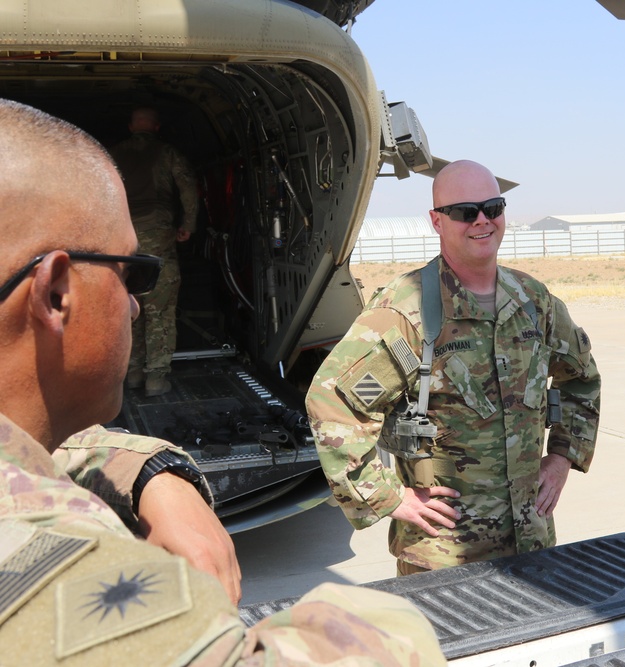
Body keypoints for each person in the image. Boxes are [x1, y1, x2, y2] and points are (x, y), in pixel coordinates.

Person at [0, 98, 445, 665]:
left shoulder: (118, 158)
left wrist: (152, 472)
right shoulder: (93, 600)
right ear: (57, 294)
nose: (132, 305)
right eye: (129, 275)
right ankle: (155, 378)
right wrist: (394, 616)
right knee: (164, 319)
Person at [307, 160, 601, 575]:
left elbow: (581, 380)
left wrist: (561, 458)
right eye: (465, 212)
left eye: (493, 208)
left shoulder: (534, 302)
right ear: (436, 221)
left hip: (531, 541)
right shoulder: (406, 311)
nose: (482, 221)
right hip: (442, 558)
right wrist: (388, 496)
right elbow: (332, 401)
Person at [110, 106, 199, 397]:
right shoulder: (167, 153)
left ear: (131, 126)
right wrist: (188, 224)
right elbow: (188, 187)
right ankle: (156, 379)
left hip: (122, 241)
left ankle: (133, 373)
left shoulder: (112, 155)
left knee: (128, 305)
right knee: (160, 309)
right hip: (158, 238)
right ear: (157, 127)